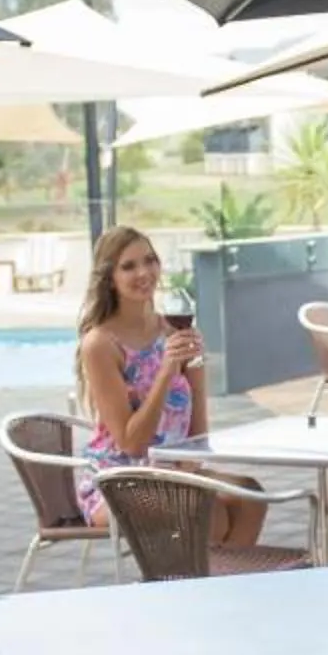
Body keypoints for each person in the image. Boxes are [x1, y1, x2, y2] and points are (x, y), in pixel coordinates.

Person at [72, 227, 262, 548]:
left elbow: (198, 431)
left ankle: (221, 584)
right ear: (109, 278)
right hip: (119, 480)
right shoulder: (101, 344)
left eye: (149, 260)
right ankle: (194, 586)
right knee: (209, 513)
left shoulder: (175, 329)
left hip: (174, 470)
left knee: (250, 496)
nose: (144, 272)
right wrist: (166, 371)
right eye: (128, 266)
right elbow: (131, 444)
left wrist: (189, 471)